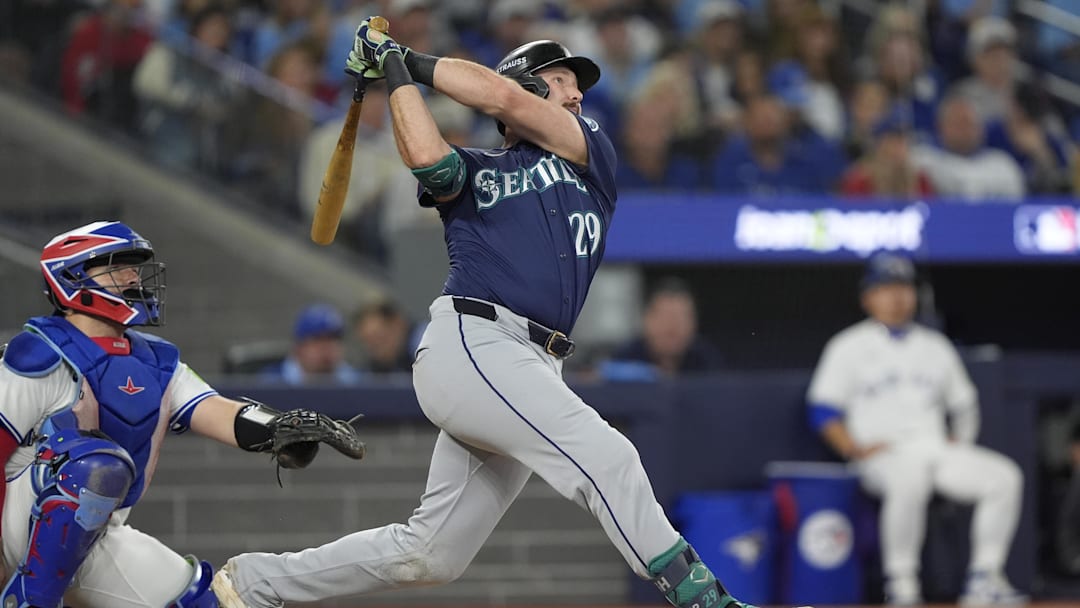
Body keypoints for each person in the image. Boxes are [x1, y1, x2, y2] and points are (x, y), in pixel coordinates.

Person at [210, 19, 770, 608]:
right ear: (529, 88)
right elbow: (428, 157)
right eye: (559, 80)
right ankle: (707, 601)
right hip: (476, 340)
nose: (577, 93)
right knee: (610, 456)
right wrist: (397, 72)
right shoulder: (479, 169)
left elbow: (501, 97)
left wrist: (404, 57)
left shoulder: (591, 155)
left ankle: (253, 583)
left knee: (431, 554)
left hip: (531, 362)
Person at [0, 221, 363, 607]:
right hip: (20, 518)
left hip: (100, 531)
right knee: (94, 464)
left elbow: (216, 412)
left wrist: (278, 429)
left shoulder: (156, 361)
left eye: (133, 266)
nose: (132, 276)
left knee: (203, 602)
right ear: (71, 277)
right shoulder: (36, 353)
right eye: (114, 266)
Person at [806, 253, 1025, 605]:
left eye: (904, 288)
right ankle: (902, 585)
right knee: (908, 478)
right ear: (867, 297)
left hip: (933, 448)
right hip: (882, 454)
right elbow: (823, 410)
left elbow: (964, 404)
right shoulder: (847, 346)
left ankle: (985, 579)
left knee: (1005, 477)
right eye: (886, 288)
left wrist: (962, 443)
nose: (897, 297)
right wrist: (852, 447)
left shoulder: (935, 346)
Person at [603, 278, 724, 380]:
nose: (672, 326)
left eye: (681, 317)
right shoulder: (624, 358)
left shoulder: (707, 362)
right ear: (646, 319)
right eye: (665, 316)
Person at [260, 303, 363, 385]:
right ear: (299, 347)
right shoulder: (270, 382)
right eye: (318, 340)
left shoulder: (358, 381)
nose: (327, 348)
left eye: (333, 339)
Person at [351, 299, 424, 375]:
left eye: (379, 338)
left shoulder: (424, 343)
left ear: (398, 324)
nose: (376, 349)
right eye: (367, 342)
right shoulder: (371, 367)